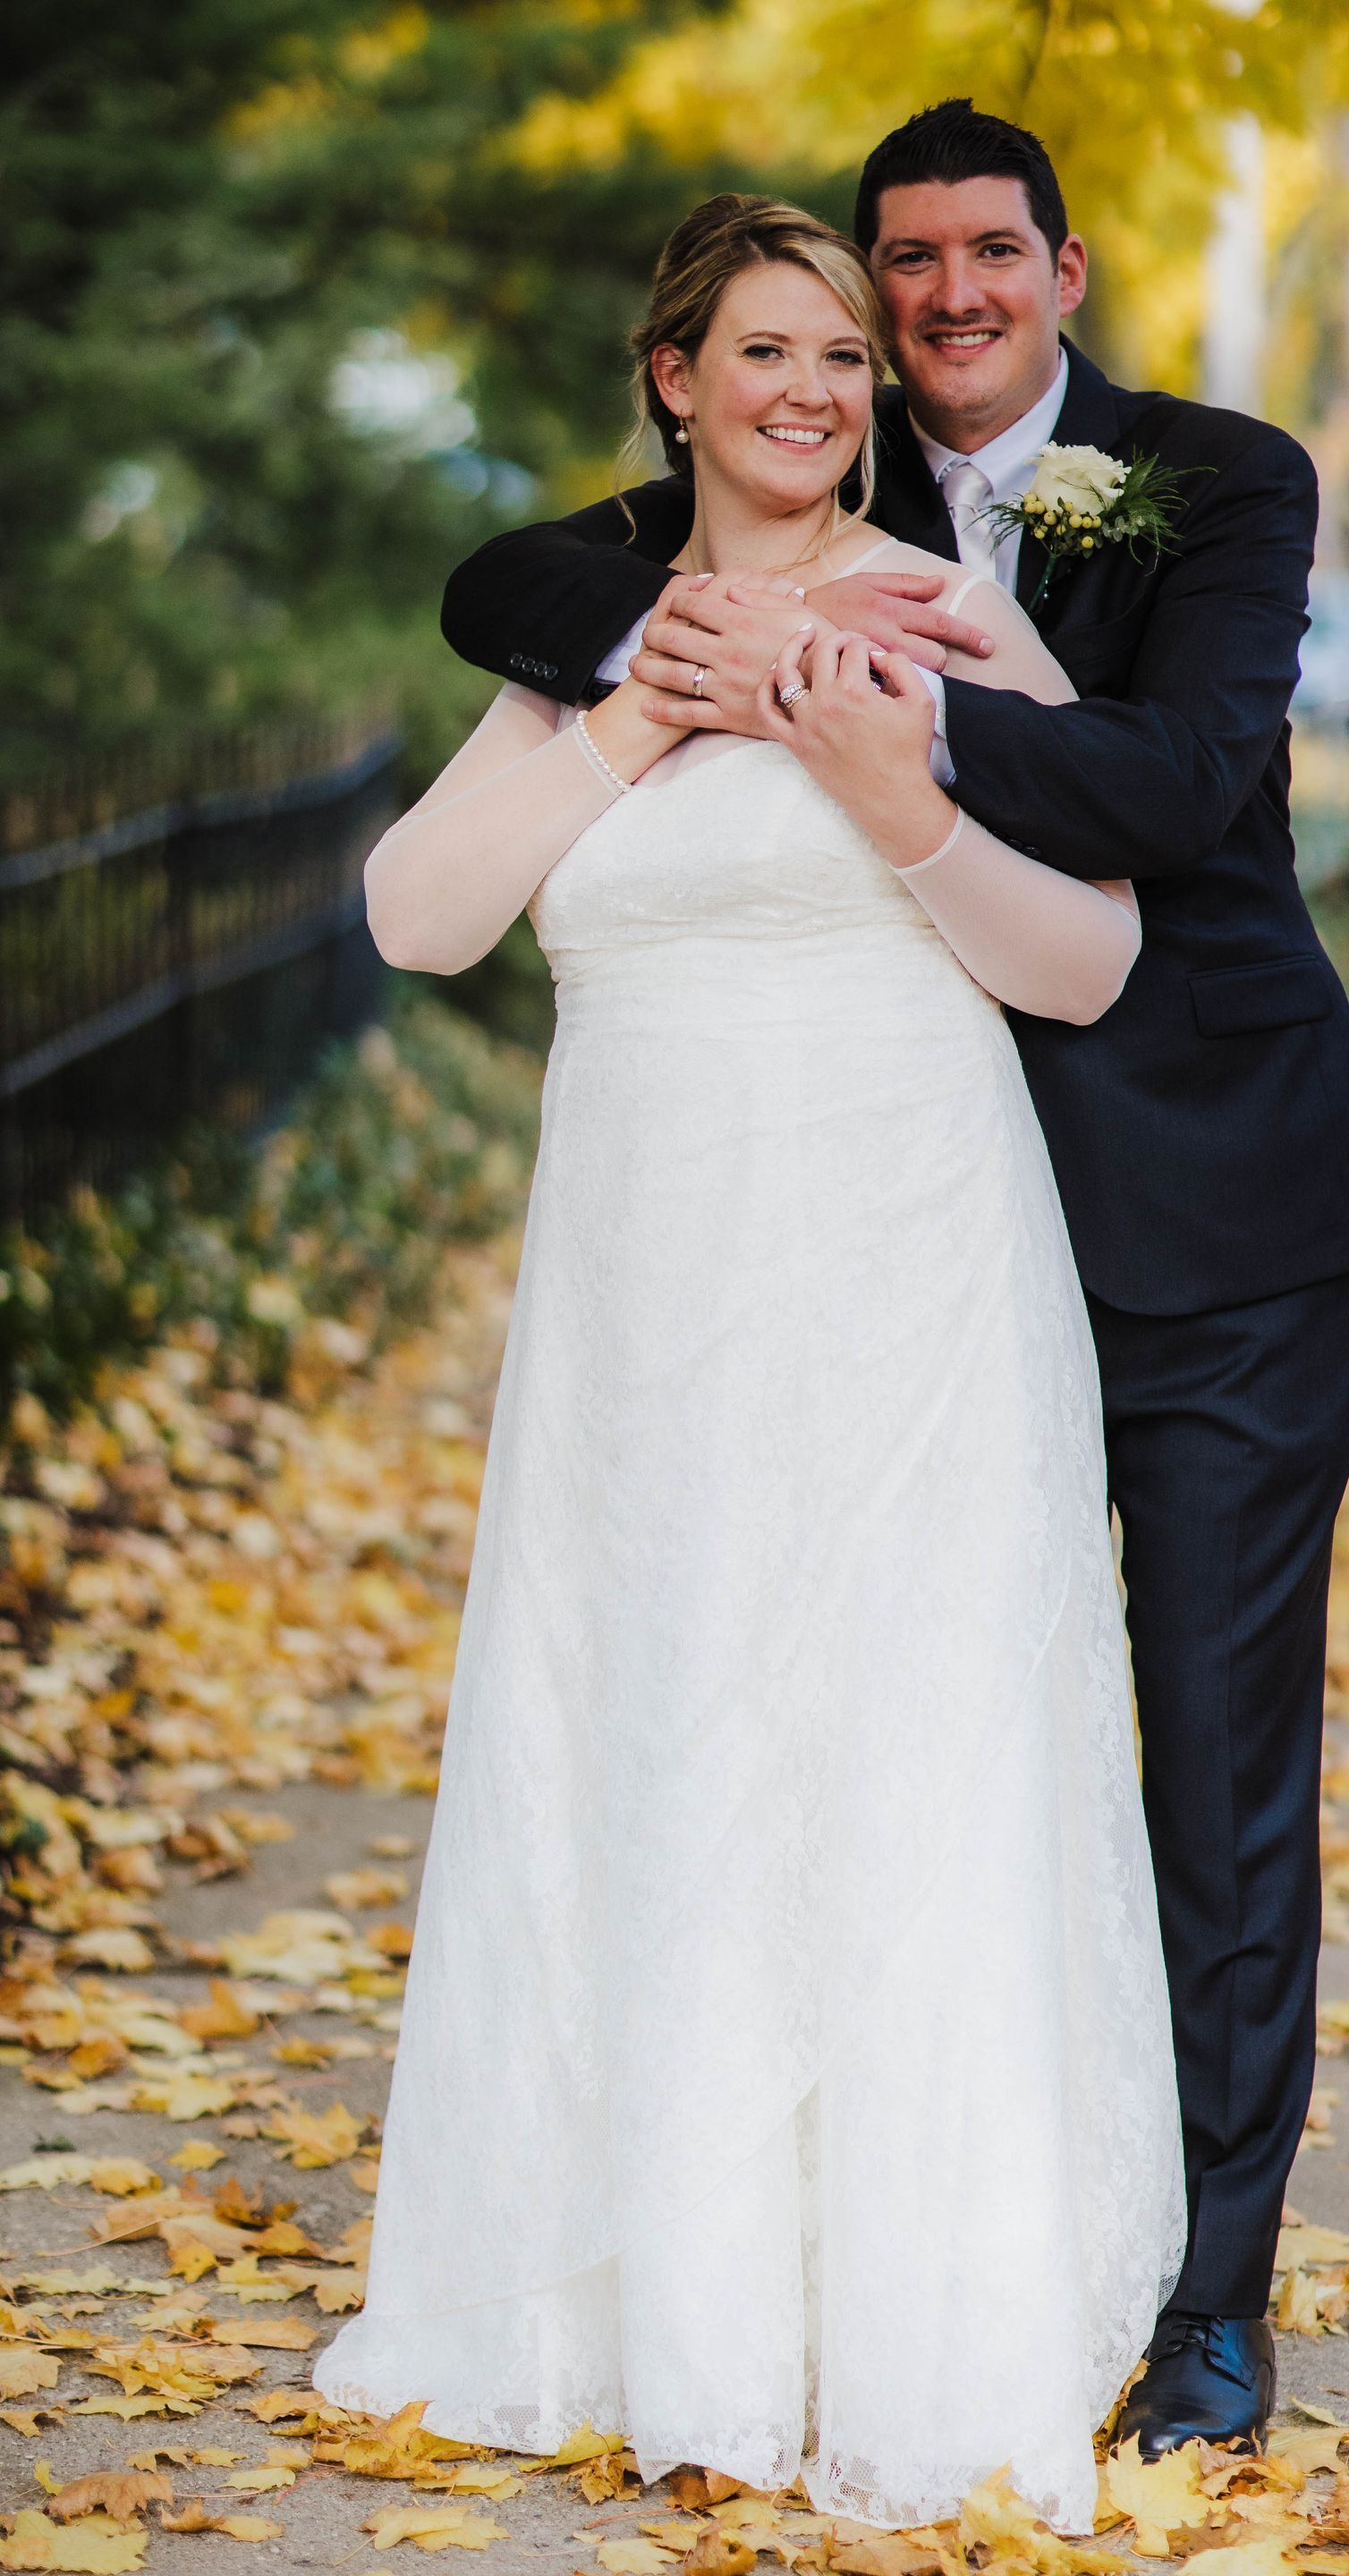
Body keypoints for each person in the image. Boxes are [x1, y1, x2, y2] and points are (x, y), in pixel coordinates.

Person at [437, 99, 1349, 2460]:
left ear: (1068, 273)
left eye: (999, 254)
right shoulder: (790, 507)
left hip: (1212, 1218)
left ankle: (1204, 2297)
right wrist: (735, 622)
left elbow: (1184, 787)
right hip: (900, 1229)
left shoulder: (1211, 480)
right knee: (913, 1744)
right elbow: (510, 592)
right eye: (913, 267)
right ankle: (877, 2231)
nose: (954, 297)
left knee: (1213, 1759)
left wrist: (847, 695)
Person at [313, 192, 1185, 2534]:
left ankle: (911, 2316)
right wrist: (639, 723)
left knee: (898, 1729)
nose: (814, 387)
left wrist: (901, 799)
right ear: (674, 379)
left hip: (910, 1252)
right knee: (668, 1722)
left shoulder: (942, 612)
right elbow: (415, 917)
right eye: (765, 350)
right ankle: (682, 2325)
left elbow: (1088, 960)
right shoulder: (603, 637)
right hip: (649, 1286)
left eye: (841, 355)